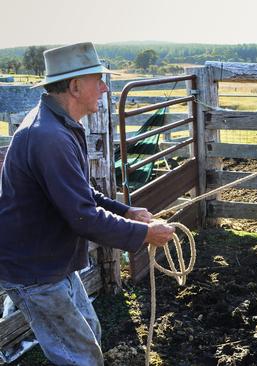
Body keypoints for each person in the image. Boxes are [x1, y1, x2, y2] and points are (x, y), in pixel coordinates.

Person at [0, 42, 175, 365]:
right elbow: (83, 216)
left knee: (88, 333)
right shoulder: (48, 137)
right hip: (35, 268)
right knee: (79, 356)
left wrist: (128, 212)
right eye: (99, 80)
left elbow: (82, 195)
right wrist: (144, 235)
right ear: (75, 86)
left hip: (50, 260)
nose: (105, 88)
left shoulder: (61, 127)